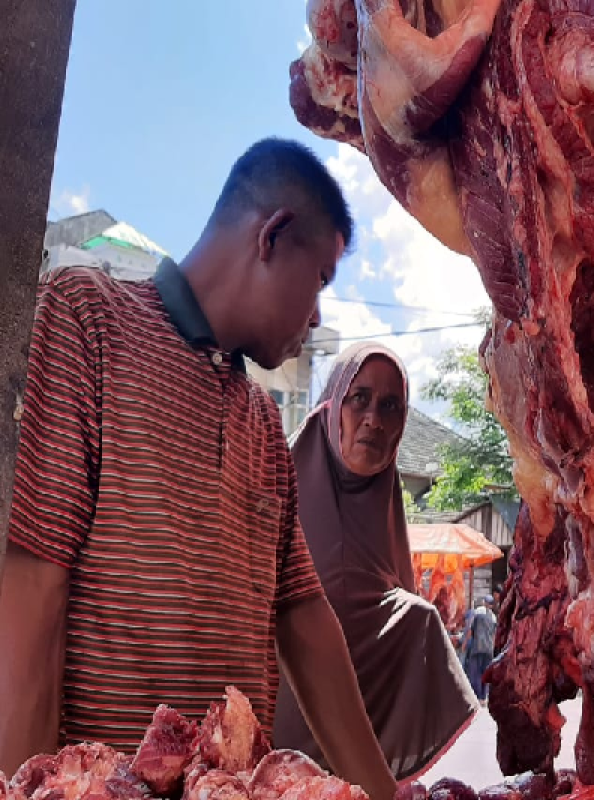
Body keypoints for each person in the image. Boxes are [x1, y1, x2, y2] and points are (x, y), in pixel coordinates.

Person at [0, 139, 396, 800]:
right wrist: (28, 787)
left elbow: (305, 620)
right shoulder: (89, 319)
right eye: (321, 280)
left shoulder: (265, 424)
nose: (319, 313)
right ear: (273, 234)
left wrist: (386, 795)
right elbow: (33, 584)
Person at [273, 343, 476, 779]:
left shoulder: (386, 504)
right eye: (359, 398)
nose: (373, 420)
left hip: (360, 769)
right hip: (266, 755)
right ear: (332, 406)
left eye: (390, 407)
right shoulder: (276, 478)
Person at [461, 596, 497, 700]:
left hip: (477, 647)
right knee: (485, 671)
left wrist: (464, 644)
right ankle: (483, 696)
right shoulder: (494, 617)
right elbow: (494, 635)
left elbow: (470, 630)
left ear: (484, 602)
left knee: (475, 671)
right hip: (489, 649)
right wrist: (493, 648)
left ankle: (476, 696)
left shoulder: (477, 612)